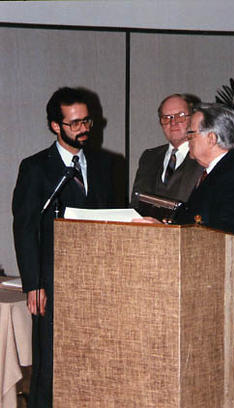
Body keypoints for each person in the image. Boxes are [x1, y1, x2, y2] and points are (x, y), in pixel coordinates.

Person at [135, 103, 234, 408]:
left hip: (228, 298)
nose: (188, 138)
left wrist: (169, 231)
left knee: (226, 381)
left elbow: (224, 234)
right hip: (211, 296)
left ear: (212, 138)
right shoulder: (214, 173)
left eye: (192, 132)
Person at [12, 87, 114, 407]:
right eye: (74, 123)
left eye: (87, 121)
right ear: (55, 126)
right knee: (50, 364)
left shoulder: (107, 164)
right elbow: (25, 228)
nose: (83, 129)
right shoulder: (36, 168)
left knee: (90, 358)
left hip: (95, 282)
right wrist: (34, 284)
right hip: (52, 281)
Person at [130, 93, 203, 209]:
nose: (173, 122)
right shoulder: (149, 157)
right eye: (166, 118)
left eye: (180, 116)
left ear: (193, 119)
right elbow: (136, 203)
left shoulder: (203, 157)